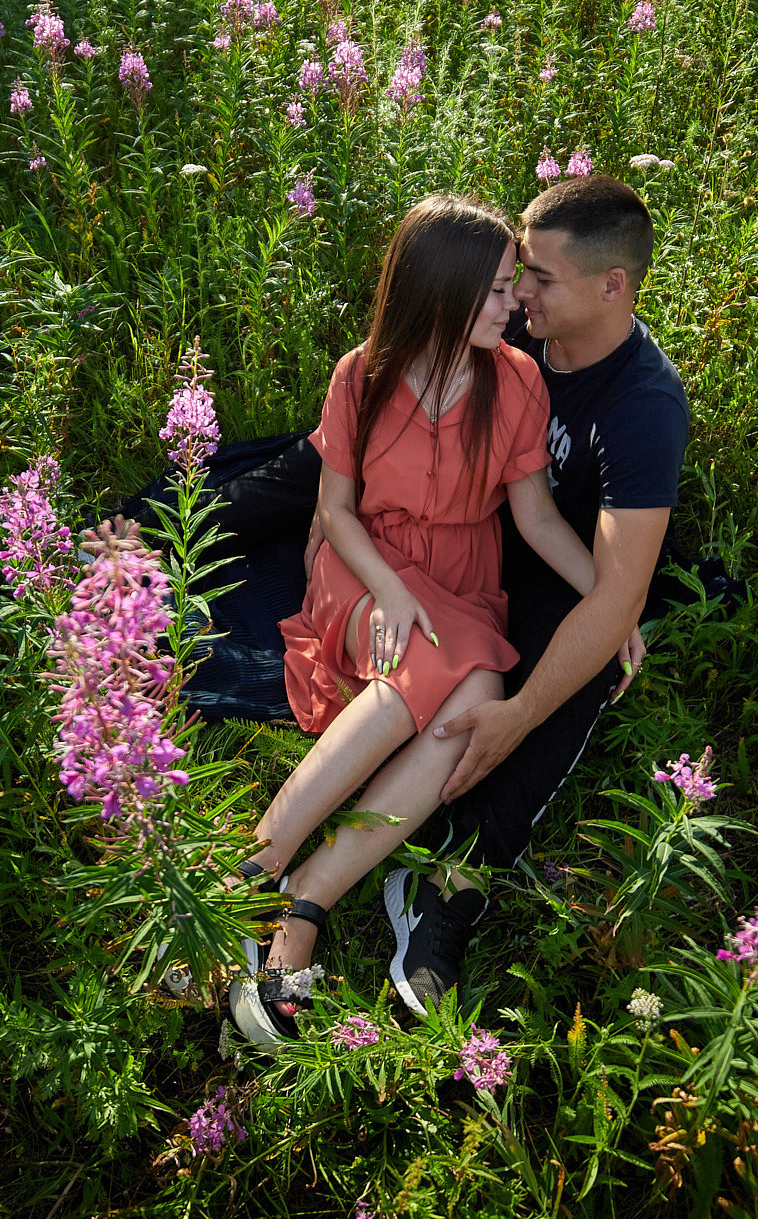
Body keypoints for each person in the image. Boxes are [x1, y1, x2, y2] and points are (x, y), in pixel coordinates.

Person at [226, 195, 643, 1052]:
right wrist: (385, 591)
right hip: (363, 569)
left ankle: (306, 890)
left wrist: (614, 598)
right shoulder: (365, 373)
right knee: (444, 673)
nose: (515, 307)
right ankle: (261, 867)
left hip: (461, 583)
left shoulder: (515, 381)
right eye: (497, 291)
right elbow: (335, 510)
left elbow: (532, 517)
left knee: (472, 699)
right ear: (448, 296)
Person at [380, 174, 692, 1021]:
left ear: (612, 285)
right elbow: (388, 389)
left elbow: (612, 588)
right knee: (319, 475)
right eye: (521, 269)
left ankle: (451, 884)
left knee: (586, 664)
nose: (519, 291)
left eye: (540, 278)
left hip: (549, 554)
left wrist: (532, 699)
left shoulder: (644, 407)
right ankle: (155, 519)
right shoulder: (510, 314)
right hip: (451, 511)